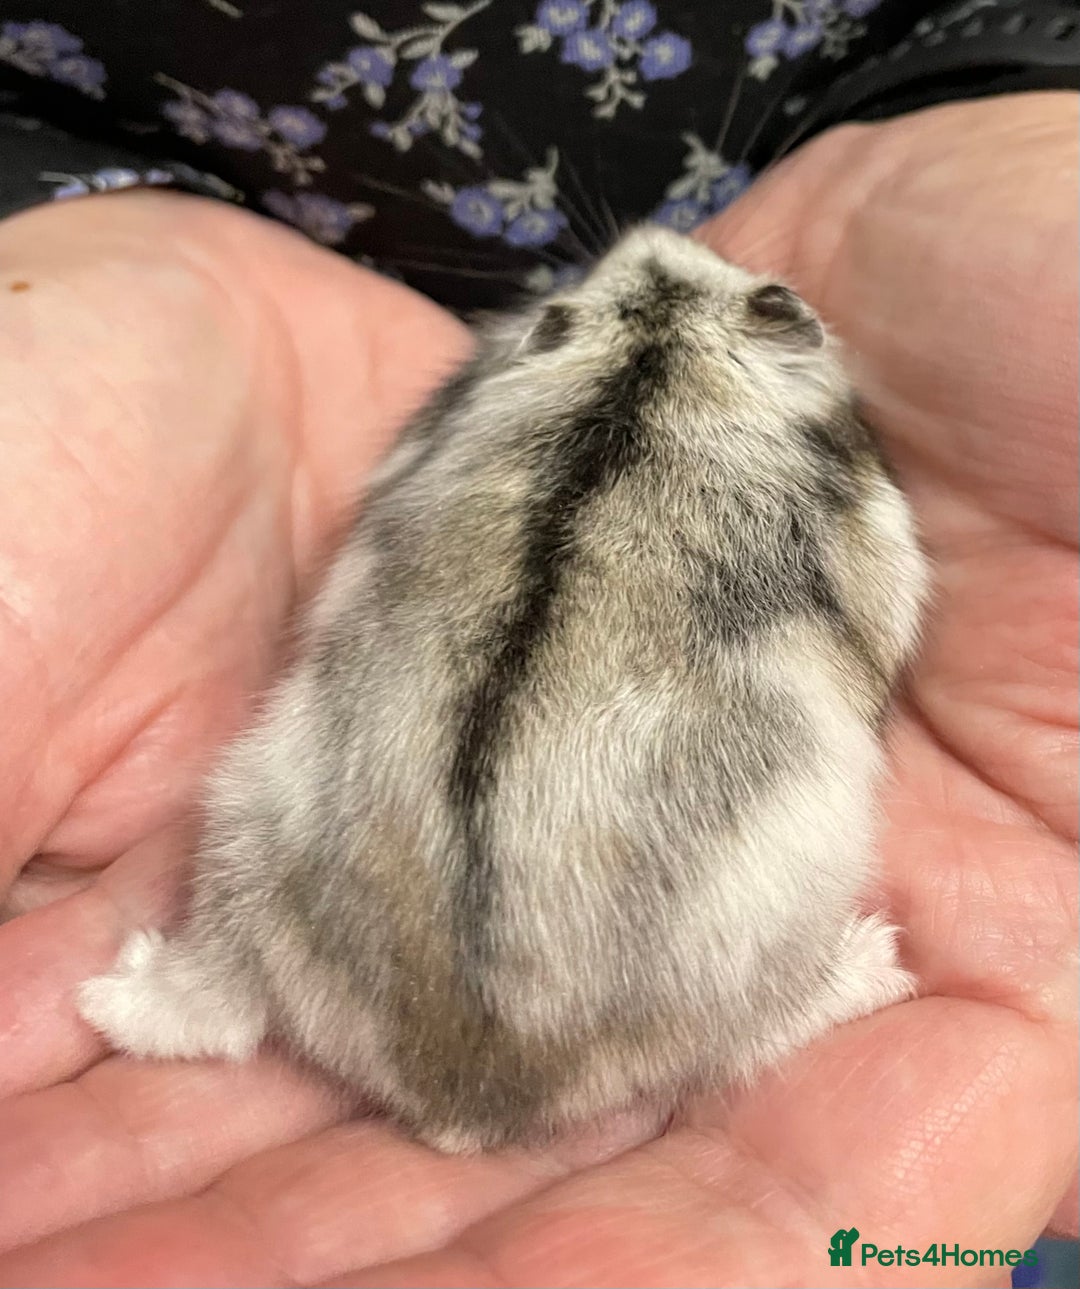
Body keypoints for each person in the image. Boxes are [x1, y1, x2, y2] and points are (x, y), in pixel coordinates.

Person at [0, 2, 1076, 1284]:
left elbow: (379, 551)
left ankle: (218, 989)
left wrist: (1022, 71)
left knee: (287, 775)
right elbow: (870, 628)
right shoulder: (852, 528)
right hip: (650, 999)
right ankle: (785, 994)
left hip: (364, 953)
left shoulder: (460, 449)